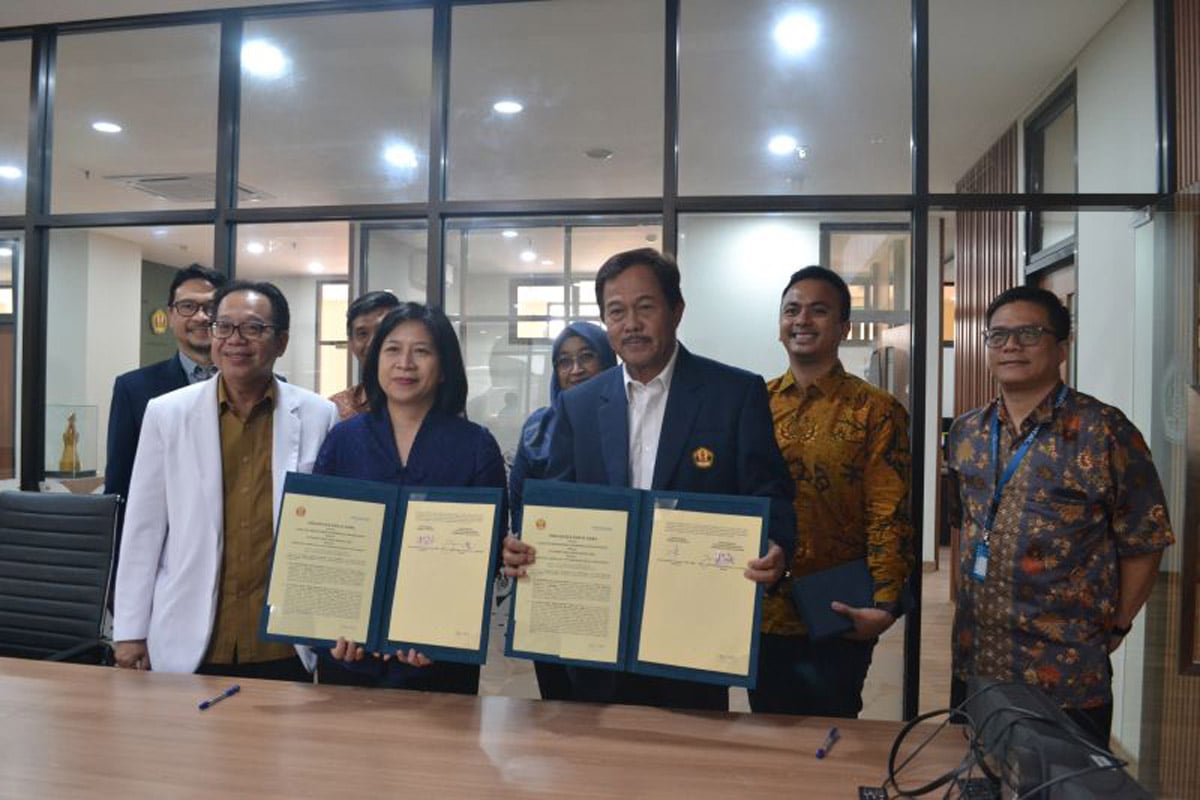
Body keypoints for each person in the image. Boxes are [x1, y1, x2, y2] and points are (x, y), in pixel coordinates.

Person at [502, 247, 796, 712]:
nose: (631, 324)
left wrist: (778, 546)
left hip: (692, 629)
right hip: (596, 631)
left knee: (686, 765)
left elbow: (771, 494)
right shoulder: (578, 405)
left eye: (645, 307)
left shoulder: (734, 394)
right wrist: (528, 544)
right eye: (616, 312)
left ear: (676, 311)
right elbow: (558, 509)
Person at [946, 286, 1174, 746]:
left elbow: (1144, 540)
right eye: (998, 336)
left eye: (1028, 334)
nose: (1010, 346)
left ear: (1062, 348)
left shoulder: (1105, 430)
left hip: (1065, 670)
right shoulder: (967, 432)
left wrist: (1119, 622)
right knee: (978, 779)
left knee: (1064, 785)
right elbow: (967, 525)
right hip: (977, 659)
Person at [112, 281, 338, 680]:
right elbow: (143, 530)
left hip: (283, 642)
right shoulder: (167, 413)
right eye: (224, 327)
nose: (236, 340)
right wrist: (130, 630)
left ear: (281, 341)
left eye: (253, 329)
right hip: (190, 637)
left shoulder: (319, 415)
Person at [317, 302, 507, 694]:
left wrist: (436, 632)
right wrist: (331, 627)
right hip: (349, 658)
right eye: (392, 350)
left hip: (439, 661)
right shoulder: (343, 439)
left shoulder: (476, 446)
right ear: (376, 362)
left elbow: (484, 558)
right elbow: (323, 543)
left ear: (443, 368)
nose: (405, 363)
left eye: (421, 351)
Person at [750, 266, 913, 717]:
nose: (802, 320)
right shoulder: (753, 402)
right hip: (760, 608)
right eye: (792, 310)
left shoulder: (876, 410)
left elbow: (889, 511)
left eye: (818, 311)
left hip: (838, 609)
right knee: (766, 733)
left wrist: (884, 605)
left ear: (843, 327)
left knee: (832, 732)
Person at [509, 321, 616, 701]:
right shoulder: (537, 427)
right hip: (549, 578)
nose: (576, 369)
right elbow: (519, 501)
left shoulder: (626, 424)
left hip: (609, 581)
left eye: (588, 356)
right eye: (564, 361)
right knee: (558, 700)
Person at [105, 265, 227, 547]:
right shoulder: (133, 389)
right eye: (187, 306)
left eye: (211, 307)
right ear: (171, 315)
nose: (200, 316)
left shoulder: (262, 388)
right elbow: (121, 485)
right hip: (167, 547)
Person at [329, 290, 401, 420]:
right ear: (351, 343)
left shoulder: (422, 403)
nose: (373, 343)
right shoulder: (336, 409)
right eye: (362, 334)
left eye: (382, 330)